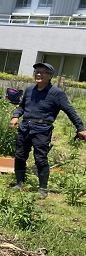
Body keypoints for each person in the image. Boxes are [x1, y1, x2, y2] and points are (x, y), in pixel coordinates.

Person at [9, 62, 86, 199]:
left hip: (42, 130)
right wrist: (15, 116)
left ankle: (42, 189)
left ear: (50, 76)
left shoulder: (56, 93)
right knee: (20, 155)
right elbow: (22, 106)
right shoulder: (29, 90)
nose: (38, 74)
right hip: (25, 128)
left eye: (42, 72)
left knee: (40, 159)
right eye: (37, 71)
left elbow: (70, 111)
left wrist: (80, 128)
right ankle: (19, 183)